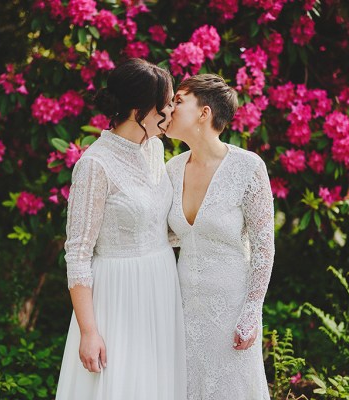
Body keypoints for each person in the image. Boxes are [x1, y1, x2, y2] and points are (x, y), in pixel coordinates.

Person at [55, 58, 187, 400]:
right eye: (167, 103)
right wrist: (88, 331)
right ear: (137, 110)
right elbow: (79, 253)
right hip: (118, 293)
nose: (172, 110)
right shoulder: (94, 166)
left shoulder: (156, 149)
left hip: (161, 285)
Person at [165, 74, 275, 400]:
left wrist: (251, 312)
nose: (169, 109)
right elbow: (167, 236)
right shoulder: (171, 168)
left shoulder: (248, 167)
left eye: (179, 102)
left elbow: (263, 247)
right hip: (182, 308)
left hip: (230, 309)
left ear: (204, 112)